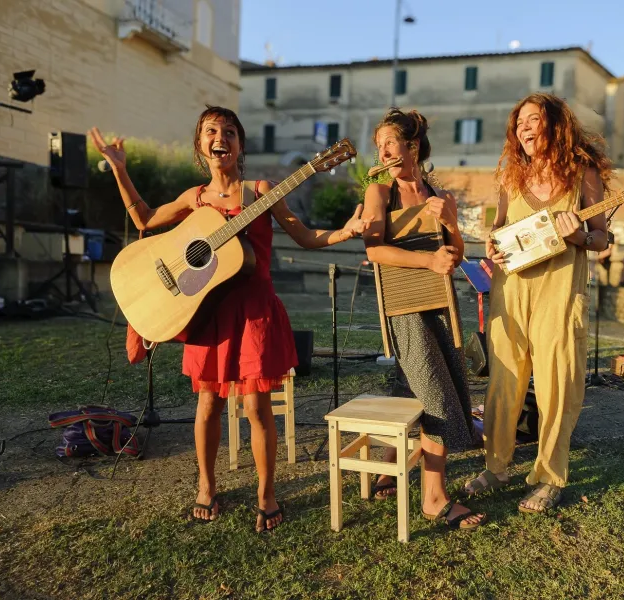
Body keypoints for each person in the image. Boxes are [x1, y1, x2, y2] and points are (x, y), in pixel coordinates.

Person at [89, 106, 369, 532]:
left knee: (257, 408)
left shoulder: (260, 191)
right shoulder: (194, 199)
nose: (220, 137)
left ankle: (266, 492)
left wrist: (346, 232)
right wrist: (119, 169)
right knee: (207, 406)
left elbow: (305, 236)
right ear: (201, 146)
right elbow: (144, 220)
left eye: (230, 132)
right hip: (208, 312)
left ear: (240, 146)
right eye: (210, 131)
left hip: (254, 312)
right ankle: (206, 484)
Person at [463, 93, 611, 513]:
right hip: (510, 293)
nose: (524, 127)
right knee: (502, 384)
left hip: (560, 294)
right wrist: (491, 245)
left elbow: (601, 239)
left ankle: (549, 476)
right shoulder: (511, 179)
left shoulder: (583, 175)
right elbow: (497, 230)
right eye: (519, 122)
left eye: (533, 119)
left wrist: (578, 236)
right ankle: (497, 467)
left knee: (556, 387)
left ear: (555, 125)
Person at [361, 108, 486, 530]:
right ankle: (434, 497)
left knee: (410, 388)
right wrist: (428, 260)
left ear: (412, 146)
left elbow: (458, 252)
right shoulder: (379, 193)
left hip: (440, 305)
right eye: (379, 145)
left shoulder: (439, 194)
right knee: (434, 396)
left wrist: (449, 225)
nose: (382, 151)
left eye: (389, 143)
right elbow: (374, 251)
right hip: (405, 308)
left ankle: (388, 467)